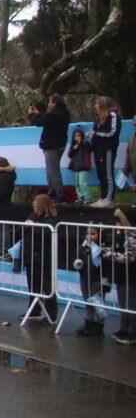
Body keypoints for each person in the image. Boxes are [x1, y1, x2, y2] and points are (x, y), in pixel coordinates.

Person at [19, 194, 59, 324]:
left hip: (44, 257)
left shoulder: (51, 219)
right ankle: (34, 309)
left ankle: (51, 314)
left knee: (47, 287)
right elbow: (24, 227)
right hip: (31, 256)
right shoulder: (33, 215)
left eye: (35, 203)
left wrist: (32, 226)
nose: (33, 205)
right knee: (33, 285)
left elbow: (46, 233)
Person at [28, 94, 70, 201]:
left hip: (52, 146)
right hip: (59, 144)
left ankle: (59, 194)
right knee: (51, 170)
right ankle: (52, 192)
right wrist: (39, 114)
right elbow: (46, 119)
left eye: (50, 102)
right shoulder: (63, 114)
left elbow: (39, 122)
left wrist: (32, 115)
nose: (48, 104)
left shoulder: (54, 115)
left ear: (54, 103)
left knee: (52, 171)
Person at [106, 208, 135, 345]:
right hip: (121, 274)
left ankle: (133, 332)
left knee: (131, 303)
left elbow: (129, 257)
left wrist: (107, 254)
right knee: (123, 302)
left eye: (120, 220)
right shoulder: (119, 233)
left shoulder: (132, 234)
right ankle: (124, 328)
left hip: (131, 275)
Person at [73, 226, 106, 337]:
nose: (89, 236)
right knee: (87, 301)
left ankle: (99, 325)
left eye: (93, 234)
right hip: (84, 277)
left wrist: (106, 282)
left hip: (97, 279)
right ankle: (88, 322)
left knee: (97, 303)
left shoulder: (101, 249)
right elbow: (77, 259)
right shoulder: (83, 247)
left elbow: (104, 266)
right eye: (88, 233)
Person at [90, 96, 121, 207]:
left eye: (97, 104)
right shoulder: (98, 118)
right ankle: (103, 197)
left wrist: (96, 133)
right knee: (101, 173)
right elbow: (95, 131)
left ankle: (110, 198)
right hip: (98, 149)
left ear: (103, 105)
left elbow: (112, 132)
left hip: (108, 148)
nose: (95, 106)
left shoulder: (113, 116)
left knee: (108, 173)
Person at [67, 127, 94, 204]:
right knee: (77, 183)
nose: (77, 137)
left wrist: (81, 142)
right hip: (76, 167)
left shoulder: (85, 143)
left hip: (84, 166)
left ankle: (88, 197)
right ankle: (80, 197)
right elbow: (69, 155)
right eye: (75, 136)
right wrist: (74, 148)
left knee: (83, 183)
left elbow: (89, 147)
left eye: (79, 135)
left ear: (82, 136)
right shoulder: (73, 146)